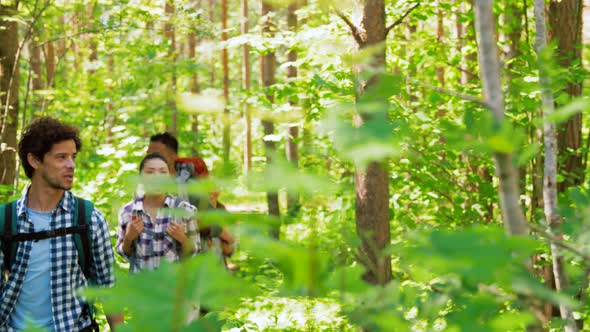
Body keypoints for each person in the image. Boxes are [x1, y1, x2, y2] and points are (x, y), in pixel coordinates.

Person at [0, 117, 121, 331]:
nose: (71, 165)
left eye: (73, 157)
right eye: (61, 157)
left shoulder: (88, 218)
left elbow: (110, 290)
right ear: (35, 160)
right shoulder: (5, 221)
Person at [146, 133, 235, 262]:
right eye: (148, 154)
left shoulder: (190, 187)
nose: (150, 158)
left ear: (172, 157)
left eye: (156, 154)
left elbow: (213, 223)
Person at [116, 153, 201, 273]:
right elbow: (123, 254)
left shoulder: (185, 210)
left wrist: (182, 238)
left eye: (163, 172)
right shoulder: (128, 212)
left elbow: (195, 252)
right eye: (150, 172)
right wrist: (129, 238)